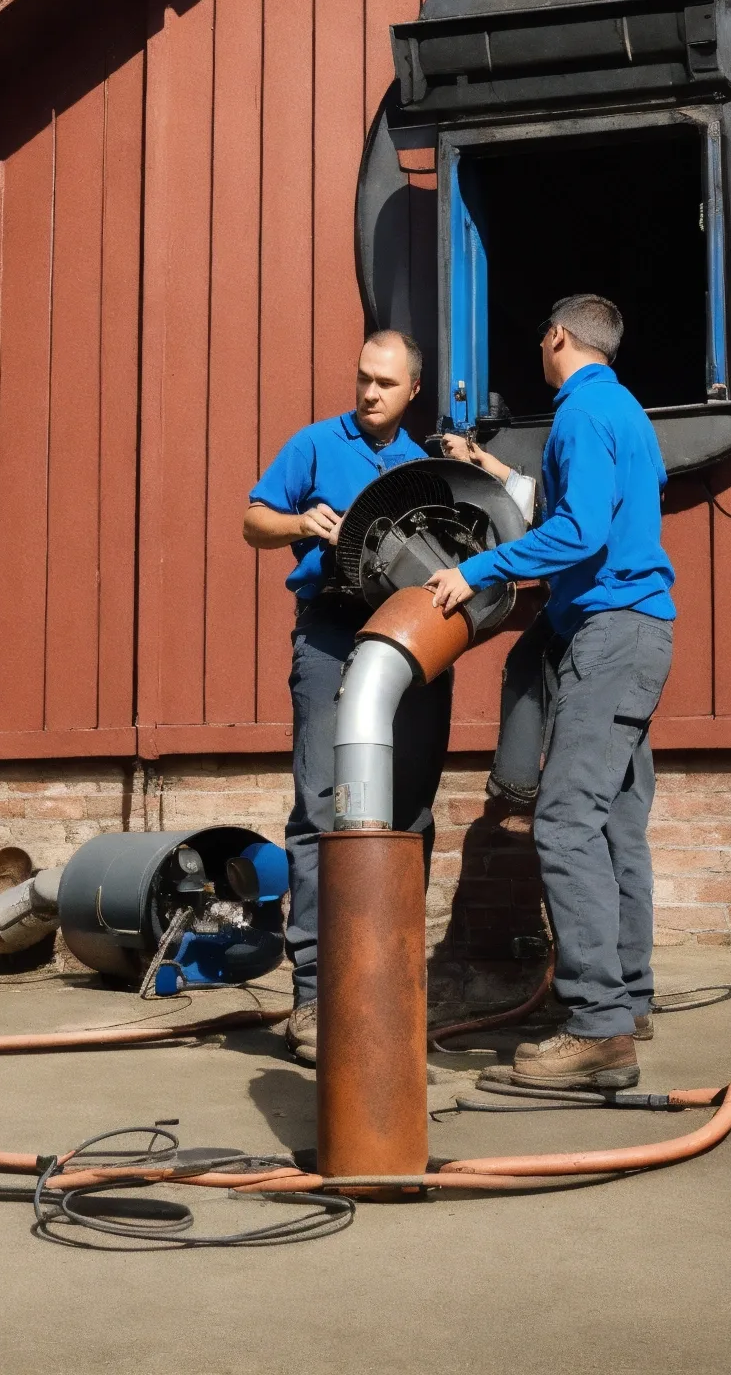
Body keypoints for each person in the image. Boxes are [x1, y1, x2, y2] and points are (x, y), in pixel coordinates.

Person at [426, 293, 675, 1091]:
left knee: (565, 825)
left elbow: (580, 532)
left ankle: (597, 1029)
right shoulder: (627, 414)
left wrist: (473, 570)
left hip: (610, 637)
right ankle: (626, 998)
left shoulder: (576, 413)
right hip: (637, 633)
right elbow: (609, 513)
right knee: (614, 826)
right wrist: (498, 473)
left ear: (557, 336)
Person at [243, 330, 449, 1067]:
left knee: (410, 812)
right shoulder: (312, 444)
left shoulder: (427, 464)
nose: (369, 394)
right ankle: (314, 997)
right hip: (330, 638)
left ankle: (392, 983)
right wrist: (301, 523)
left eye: (385, 384)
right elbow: (252, 521)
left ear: (413, 390)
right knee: (323, 808)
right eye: (362, 378)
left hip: (414, 644)